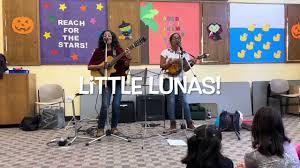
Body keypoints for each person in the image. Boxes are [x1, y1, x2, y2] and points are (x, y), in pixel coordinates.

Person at [88, 30, 131, 137]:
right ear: (103, 38)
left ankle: (114, 127)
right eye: (105, 35)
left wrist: (129, 58)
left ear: (113, 37)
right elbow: (89, 66)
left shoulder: (119, 50)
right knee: (105, 105)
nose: (107, 36)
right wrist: (101, 66)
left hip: (118, 80)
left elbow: (125, 66)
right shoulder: (99, 51)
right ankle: (100, 128)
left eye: (109, 35)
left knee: (116, 105)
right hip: (106, 81)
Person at [160, 32, 196, 131]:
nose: (177, 40)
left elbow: (185, 69)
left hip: (180, 79)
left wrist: (192, 64)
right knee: (171, 101)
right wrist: (170, 62)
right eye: (174, 38)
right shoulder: (165, 52)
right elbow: (162, 66)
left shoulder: (184, 54)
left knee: (184, 101)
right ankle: (172, 124)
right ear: (170, 41)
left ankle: (189, 123)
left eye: (178, 38)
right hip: (168, 79)